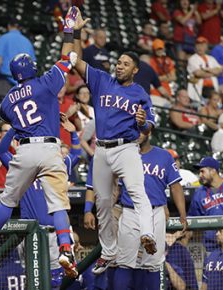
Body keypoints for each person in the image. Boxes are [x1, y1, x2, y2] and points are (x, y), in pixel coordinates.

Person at [0, 7, 85, 278]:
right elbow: (66, 57)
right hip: (49, 148)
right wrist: (69, 30)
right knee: (58, 204)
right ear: (32, 68)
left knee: (8, 200)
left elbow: (8, 117)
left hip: (23, 150)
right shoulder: (47, 81)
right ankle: (66, 248)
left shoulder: (6, 100)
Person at [73, 9, 158, 273]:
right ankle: (108, 252)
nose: (119, 65)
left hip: (126, 148)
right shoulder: (101, 80)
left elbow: (149, 126)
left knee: (137, 192)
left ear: (135, 70)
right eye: (118, 62)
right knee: (103, 204)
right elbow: (75, 60)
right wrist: (75, 32)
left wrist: (142, 121)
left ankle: (148, 235)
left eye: (124, 63)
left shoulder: (139, 92)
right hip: (101, 150)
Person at [0, 116, 82, 283]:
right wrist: (15, 128)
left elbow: (77, 153)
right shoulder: (20, 164)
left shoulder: (60, 164)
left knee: (59, 281)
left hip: (56, 233)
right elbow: (0, 152)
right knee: (34, 281)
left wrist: (73, 134)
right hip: (31, 233)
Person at [114, 132, 187, 290]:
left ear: (150, 132)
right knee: (125, 261)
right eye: (136, 130)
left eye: (142, 130)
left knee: (153, 262)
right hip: (130, 211)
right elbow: (115, 189)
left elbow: (175, 187)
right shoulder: (123, 155)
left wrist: (182, 214)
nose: (138, 134)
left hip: (156, 211)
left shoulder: (164, 156)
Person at [0, 17, 36, 99]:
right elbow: (32, 64)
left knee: (3, 106)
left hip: (5, 78)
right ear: (20, 28)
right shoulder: (27, 41)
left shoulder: (4, 38)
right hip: (23, 82)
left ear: (9, 26)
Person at [187, 37, 223, 103]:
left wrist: (206, 70)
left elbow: (220, 70)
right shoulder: (192, 59)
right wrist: (213, 72)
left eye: (203, 45)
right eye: (198, 45)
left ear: (206, 47)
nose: (200, 47)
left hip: (212, 88)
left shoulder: (211, 58)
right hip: (199, 89)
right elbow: (198, 73)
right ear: (195, 47)